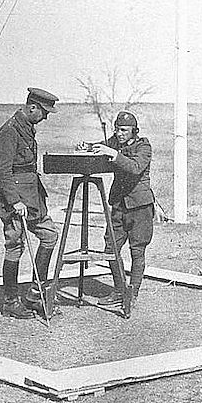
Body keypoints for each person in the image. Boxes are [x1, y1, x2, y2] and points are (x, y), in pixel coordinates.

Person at [0, 87, 59, 319]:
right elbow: (1, 171)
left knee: (49, 235)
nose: (46, 117)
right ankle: (10, 302)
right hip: (16, 201)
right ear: (32, 107)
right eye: (44, 112)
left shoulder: (26, 127)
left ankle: (34, 295)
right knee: (15, 246)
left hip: (32, 197)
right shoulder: (10, 131)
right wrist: (15, 201)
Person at [78, 111, 154, 309]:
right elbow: (102, 146)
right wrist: (88, 146)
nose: (119, 134)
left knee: (137, 251)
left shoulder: (144, 147)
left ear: (134, 131)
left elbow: (135, 167)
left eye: (124, 130)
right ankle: (120, 290)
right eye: (117, 130)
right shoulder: (116, 143)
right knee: (111, 248)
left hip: (140, 207)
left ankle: (132, 294)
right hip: (119, 205)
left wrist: (113, 153)